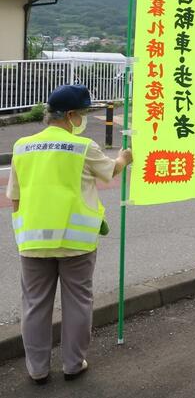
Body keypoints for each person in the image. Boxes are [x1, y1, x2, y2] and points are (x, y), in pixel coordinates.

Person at [7, 84, 132, 384]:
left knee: (35, 305)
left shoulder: (22, 146)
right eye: (84, 113)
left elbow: (15, 198)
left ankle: (37, 370)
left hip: (33, 242)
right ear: (72, 115)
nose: (84, 119)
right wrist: (124, 158)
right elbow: (110, 171)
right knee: (77, 301)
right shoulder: (83, 147)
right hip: (76, 243)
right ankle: (73, 365)